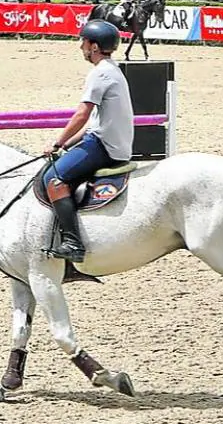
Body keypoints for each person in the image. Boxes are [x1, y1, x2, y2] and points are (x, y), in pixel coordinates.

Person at [40, 20, 134, 262]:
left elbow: (82, 114)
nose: (80, 46)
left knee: (54, 178)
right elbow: (93, 123)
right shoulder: (112, 69)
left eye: (83, 41)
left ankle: (73, 242)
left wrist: (57, 143)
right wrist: (67, 145)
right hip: (107, 139)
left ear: (93, 46)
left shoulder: (100, 73)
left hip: (104, 145)